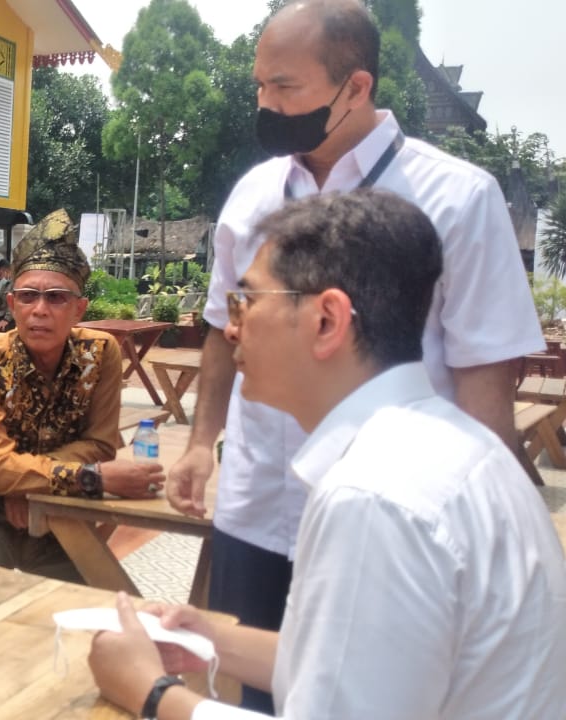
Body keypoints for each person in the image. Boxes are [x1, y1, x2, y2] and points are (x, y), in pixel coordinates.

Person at [163, 3, 544, 711]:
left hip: (388, 495)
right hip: (258, 500)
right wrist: (200, 443)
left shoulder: (456, 198)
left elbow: (484, 377)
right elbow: (217, 328)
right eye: (259, 86)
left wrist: (154, 697)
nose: (266, 105)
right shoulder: (254, 193)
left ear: (357, 87)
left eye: (285, 87)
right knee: (262, 689)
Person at [90, 189, 566, 720]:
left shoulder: (374, 497)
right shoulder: (453, 449)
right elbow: (353, 668)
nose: (231, 327)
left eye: (246, 300)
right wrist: (208, 639)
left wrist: (151, 692)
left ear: (326, 320)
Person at [0, 210, 166, 582]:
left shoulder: (101, 354)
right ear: (12, 305)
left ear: (79, 309)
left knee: (103, 602)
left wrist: (27, 483)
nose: (40, 310)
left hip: (58, 503)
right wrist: (93, 479)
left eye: (56, 298)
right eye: (28, 296)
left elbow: (100, 444)